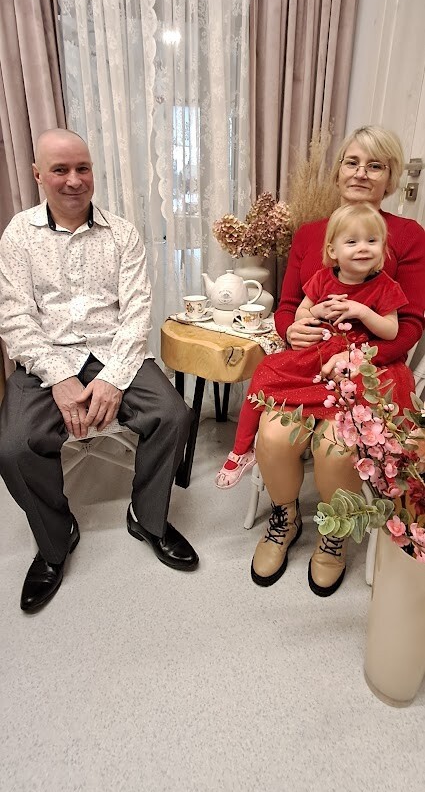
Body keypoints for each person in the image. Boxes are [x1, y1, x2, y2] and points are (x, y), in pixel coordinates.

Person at [0, 129, 199, 613]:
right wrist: (59, 377)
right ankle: (56, 538)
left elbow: (137, 312)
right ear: (38, 175)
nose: (74, 180)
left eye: (82, 168)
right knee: (14, 446)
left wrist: (111, 378)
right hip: (46, 354)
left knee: (173, 416)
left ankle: (147, 518)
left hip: (114, 351)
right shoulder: (19, 235)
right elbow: (15, 317)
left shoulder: (122, 233)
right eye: (60, 170)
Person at [250, 125, 425, 595]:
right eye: (352, 162)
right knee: (274, 434)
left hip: (373, 370)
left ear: (390, 178)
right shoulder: (311, 234)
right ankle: (285, 518)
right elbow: (288, 305)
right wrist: (290, 329)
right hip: (311, 364)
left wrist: (358, 357)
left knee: (338, 446)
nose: (361, 173)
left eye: (375, 165)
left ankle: (334, 533)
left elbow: (410, 326)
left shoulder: (408, 235)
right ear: (338, 171)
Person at [215, 202, 410, 490]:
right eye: (352, 242)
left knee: (354, 404)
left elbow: (392, 331)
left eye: (372, 241)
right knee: (265, 371)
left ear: (382, 249)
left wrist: (361, 311)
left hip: (358, 362)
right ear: (333, 250)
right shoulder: (322, 279)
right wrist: (316, 312)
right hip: (317, 355)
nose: (363, 248)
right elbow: (301, 312)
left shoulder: (385, 286)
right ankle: (242, 448)